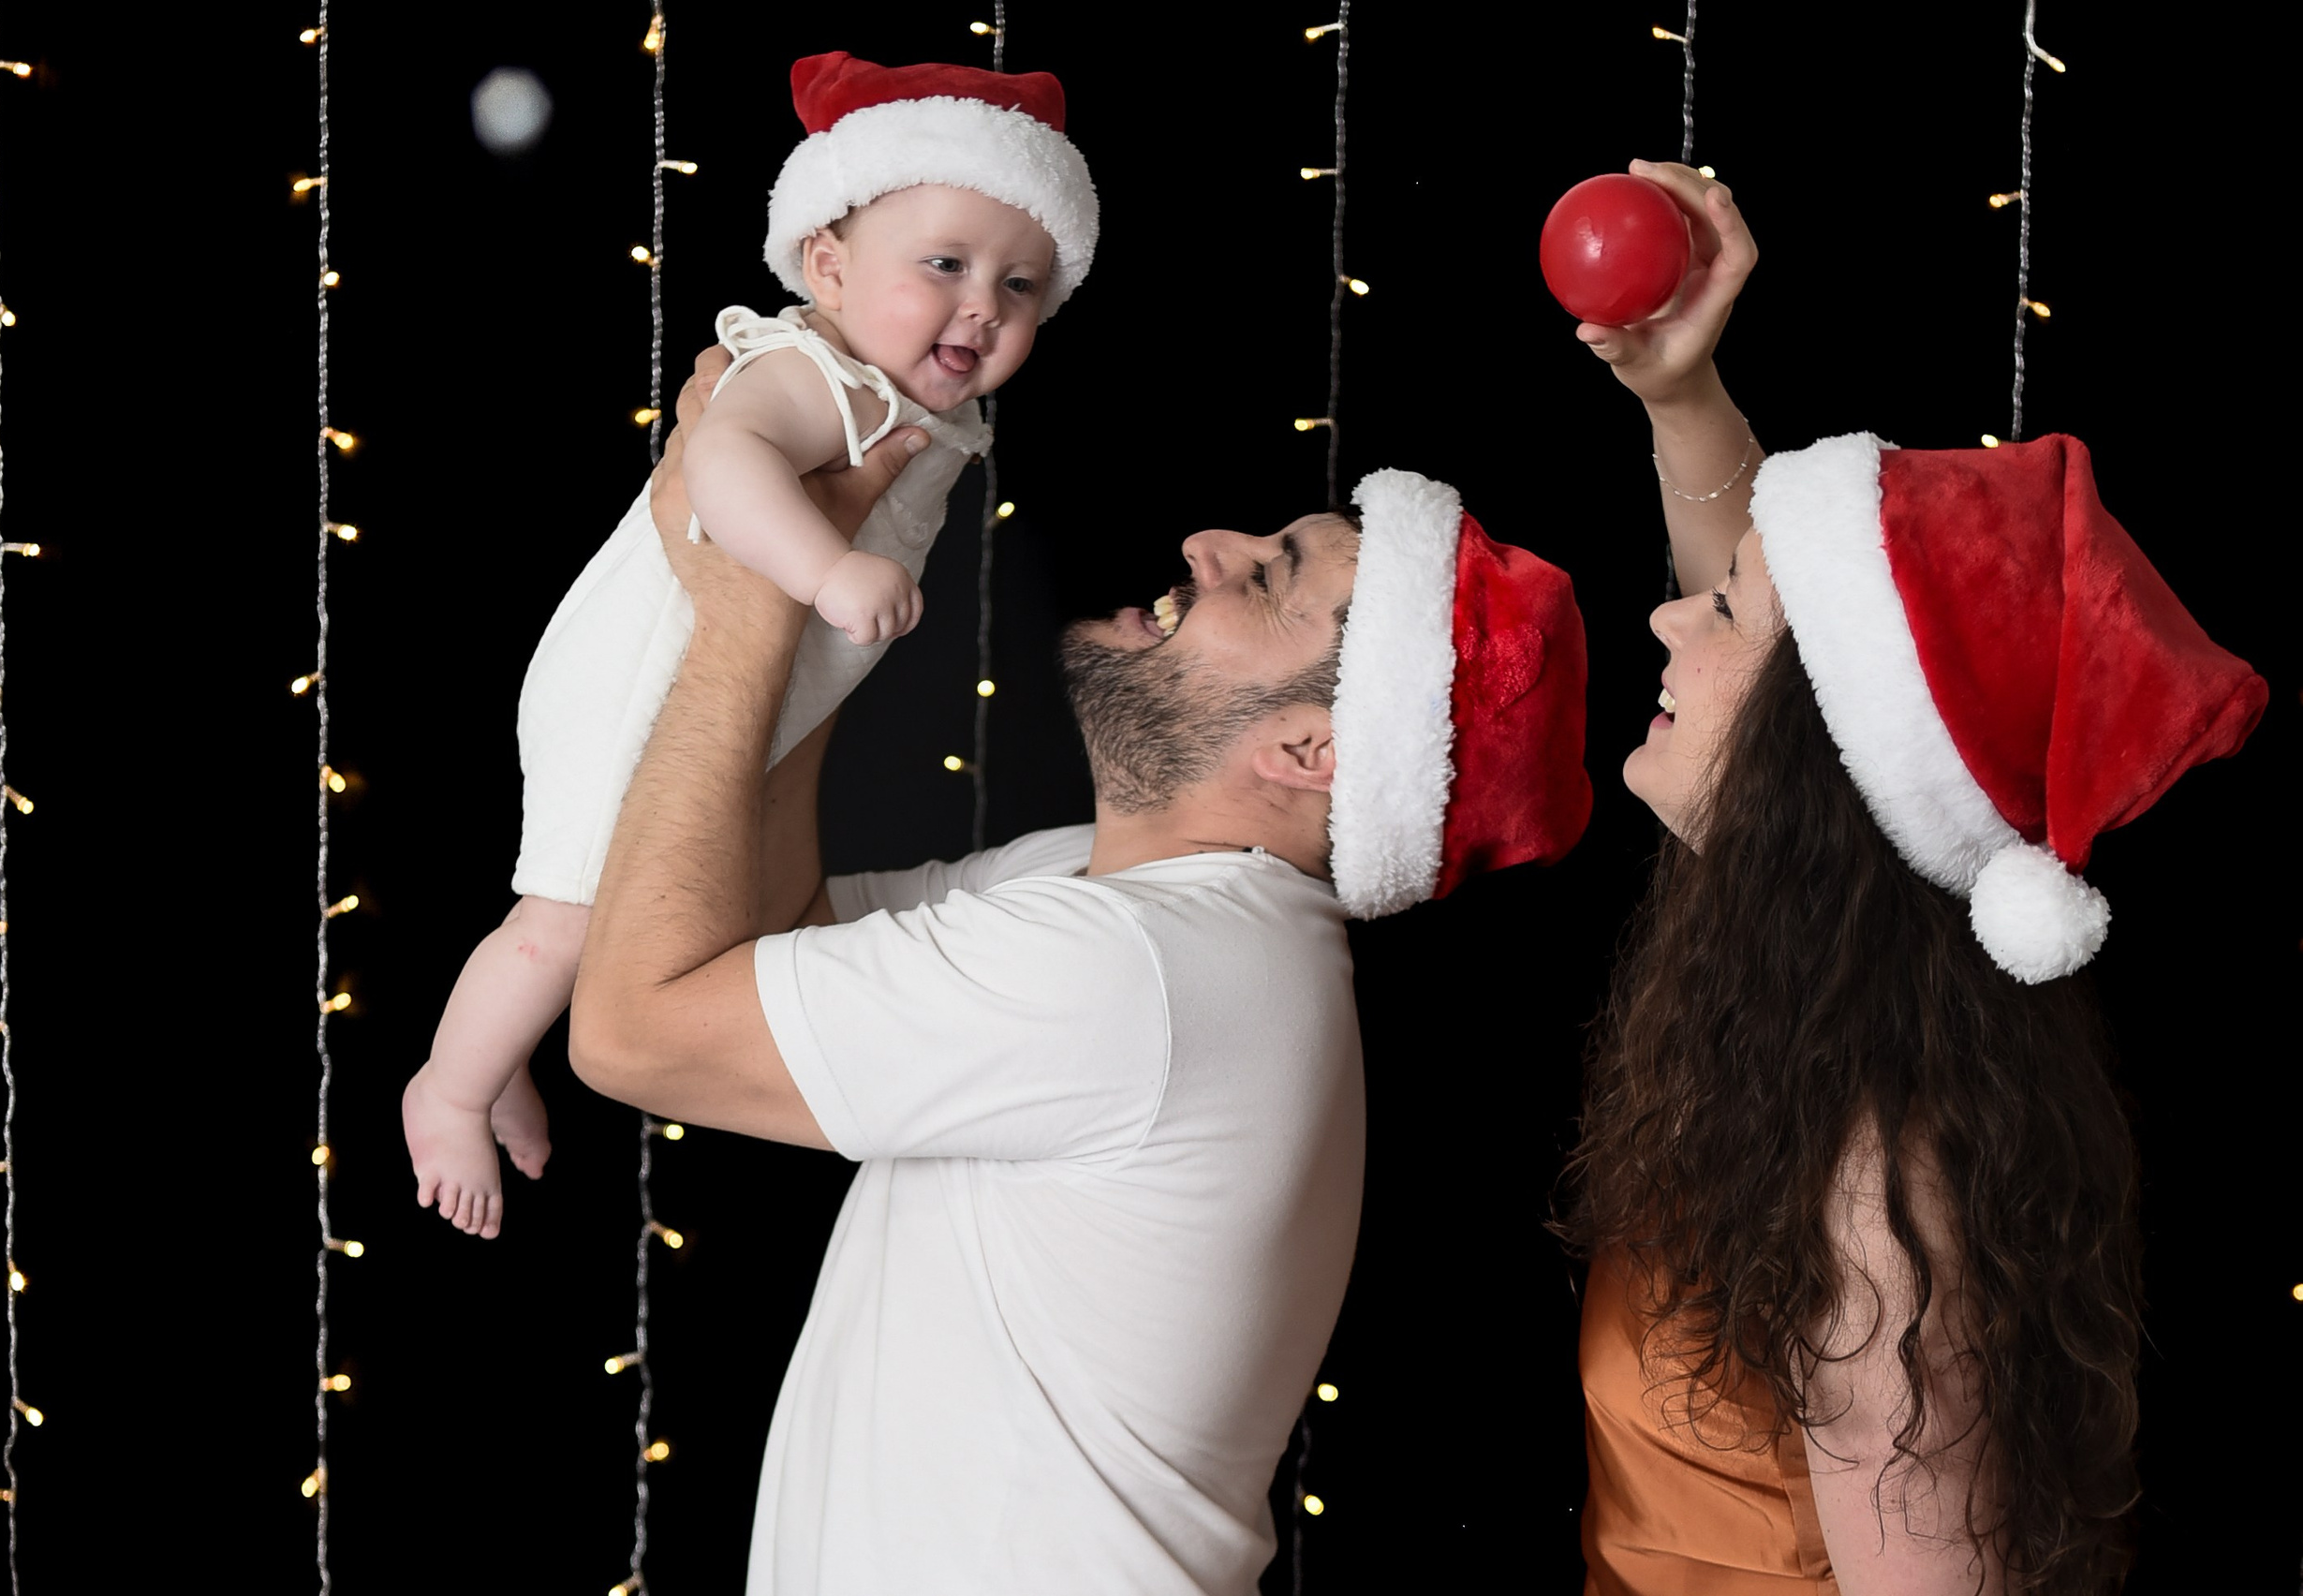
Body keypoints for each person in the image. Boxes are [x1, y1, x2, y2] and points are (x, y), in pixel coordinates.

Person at [564, 348, 1591, 1592]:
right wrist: (817, 570)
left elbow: (633, 1030)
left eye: (1271, 577)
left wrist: (744, 611)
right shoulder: (1115, 900)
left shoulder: (1142, 970)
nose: (1209, 546)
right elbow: (774, 927)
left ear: (1309, 749)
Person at [1560, 161, 2266, 1593]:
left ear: (1812, 764)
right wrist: (1680, 394)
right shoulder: (1796, 1034)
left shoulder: (1879, 1197)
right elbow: (1787, 641)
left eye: (1717, 612)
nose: (1665, 619)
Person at [400, 52, 1100, 1237]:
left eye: (1019, 283)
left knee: (608, 914)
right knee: (570, 919)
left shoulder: (906, 402)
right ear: (828, 266)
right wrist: (825, 570)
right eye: (944, 265)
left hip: (712, 686)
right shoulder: (812, 373)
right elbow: (720, 466)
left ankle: (494, 1056)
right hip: (634, 681)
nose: (983, 305)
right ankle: (448, 1090)